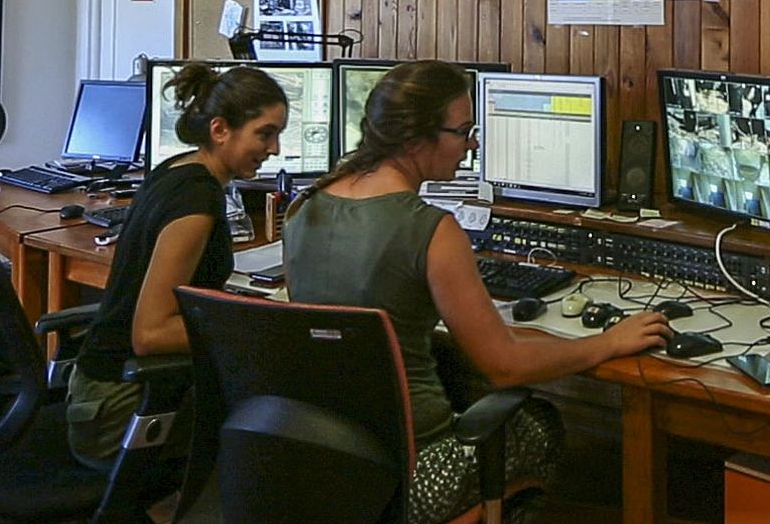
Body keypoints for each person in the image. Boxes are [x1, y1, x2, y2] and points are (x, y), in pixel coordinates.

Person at [283, 60, 670, 523]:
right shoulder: (431, 230)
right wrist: (609, 341)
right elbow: (504, 366)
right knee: (538, 424)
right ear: (416, 140)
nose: (473, 144)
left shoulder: (304, 207)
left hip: (324, 460)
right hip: (413, 474)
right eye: (463, 132)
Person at [66, 62, 288, 469]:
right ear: (220, 129)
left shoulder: (178, 169)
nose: (274, 149)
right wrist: (253, 326)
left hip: (97, 390)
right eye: (265, 133)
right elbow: (150, 335)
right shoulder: (195, 204)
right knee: (281, 413)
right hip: (118, 409)